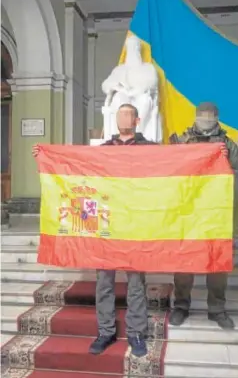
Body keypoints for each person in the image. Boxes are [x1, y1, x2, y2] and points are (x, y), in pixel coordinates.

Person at [32, 103, 155, 357]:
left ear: (137, 119)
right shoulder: (103, 151)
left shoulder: (149, 150)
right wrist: (45, 156)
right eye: (120, 114)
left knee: (135, 283)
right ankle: (106, 331)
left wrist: (214, 153)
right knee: (104, 282)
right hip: (106, 225)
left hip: (135, 225)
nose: (124, 118)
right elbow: (75, 166)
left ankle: (136, 333)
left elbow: (175, 164)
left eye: (128, 114)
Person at [169, 102, 238, 330]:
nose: (206, 119)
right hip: (189, 211)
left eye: (210, 116)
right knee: (185, 263)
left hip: (217, 213)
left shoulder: (226, 143)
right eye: (202, 116)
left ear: (217, 118)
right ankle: (181, 306)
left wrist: (227, 158)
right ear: (195, 117)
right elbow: (168, 171)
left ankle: (217, 309)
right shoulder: (181, 140)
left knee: (217, 263)